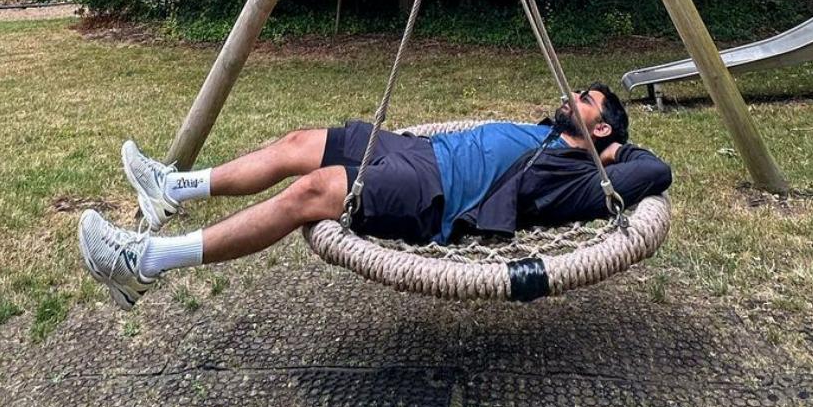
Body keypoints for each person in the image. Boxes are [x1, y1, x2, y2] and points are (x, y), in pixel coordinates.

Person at [78, 83, 672, 309]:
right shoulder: (544, 131)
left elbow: (656, 171)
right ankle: (170, 188)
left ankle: (144, 263)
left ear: (601, 128)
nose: (571, 95)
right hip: (418, 151)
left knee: (311, 192)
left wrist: (612, 155)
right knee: (299, 142)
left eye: (585, 99)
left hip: (435, 192)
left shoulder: (579, 174)